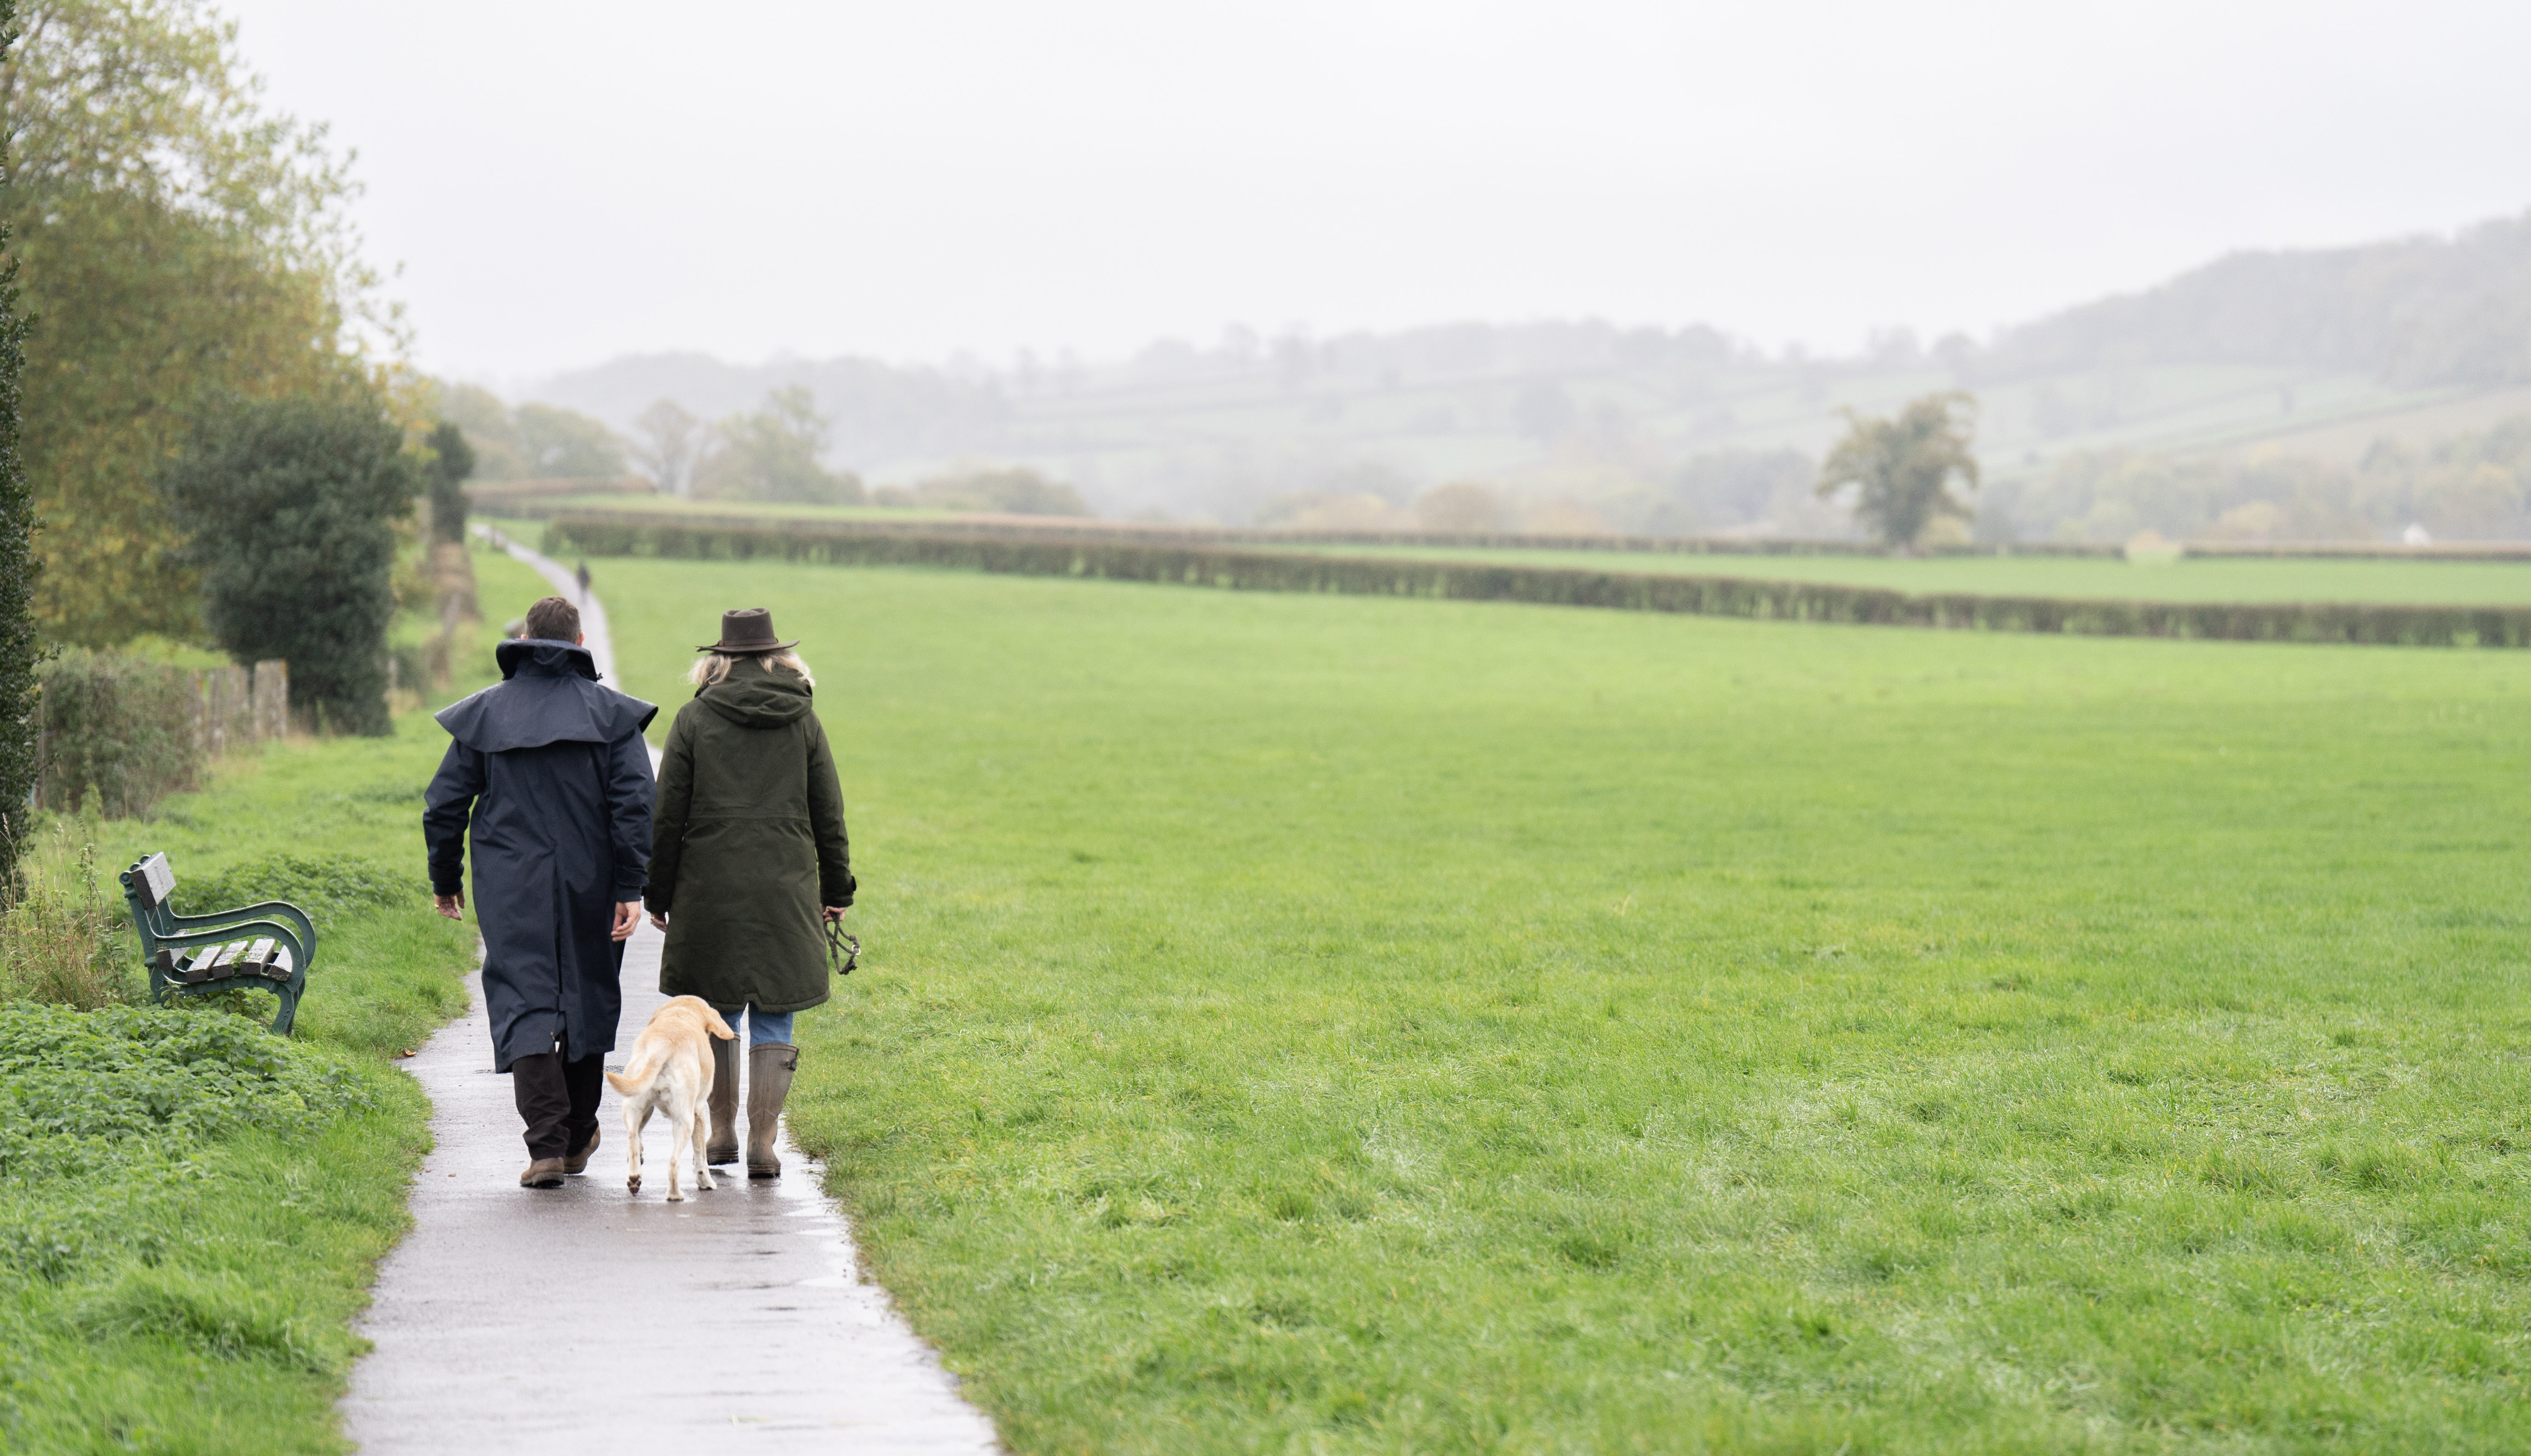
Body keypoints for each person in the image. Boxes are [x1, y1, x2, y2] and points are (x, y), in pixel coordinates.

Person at [424, 595, 658, 1188]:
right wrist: (631, 884)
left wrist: (446, 881)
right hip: (594, 881)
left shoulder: (486, 715)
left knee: (525, 1000)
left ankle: (548, 1146)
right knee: (587, 993)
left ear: (527, 639)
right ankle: (578, 1134)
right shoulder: (612, 717)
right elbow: (635, 804)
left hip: (510, 887)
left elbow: (445, 805)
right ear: (580, 644)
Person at [644, 607, 853, 1179]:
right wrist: (837, 890)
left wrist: (657, 892)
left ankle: (722, 1133)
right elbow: (828, 815)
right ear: (776, 658)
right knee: (776, 1009)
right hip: (786, 886)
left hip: (710, 887)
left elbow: (668, 818)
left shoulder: (692, 721)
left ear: (719, 661)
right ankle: (764, 1141)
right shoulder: (804, 721)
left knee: (718, 1010)